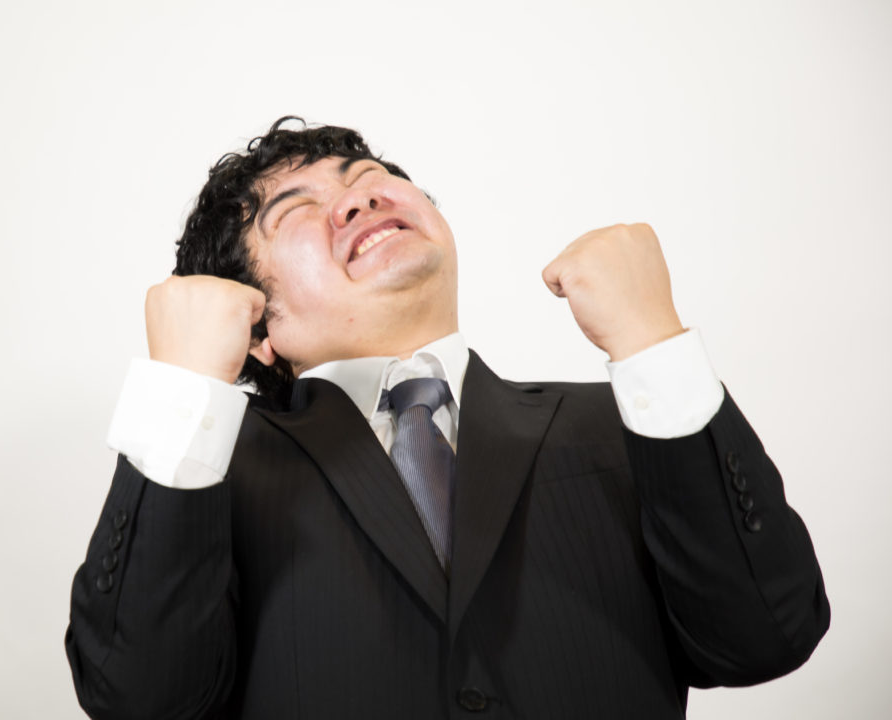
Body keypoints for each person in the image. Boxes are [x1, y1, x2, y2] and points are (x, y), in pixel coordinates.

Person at [64, 117, 829, 719]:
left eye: (370, 179)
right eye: (297, 209)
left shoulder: (625, 419)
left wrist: (653, 343)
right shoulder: (206, 469)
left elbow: (764, 637)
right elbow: (140, 696)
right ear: (257, 323)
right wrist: (182, 387)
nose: (360, 200)